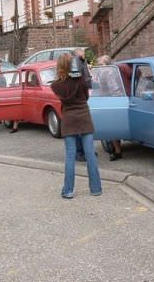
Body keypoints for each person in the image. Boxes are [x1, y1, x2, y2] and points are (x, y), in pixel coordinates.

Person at [51, 53, 102, 199]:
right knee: (90, 154)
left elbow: (62, 98)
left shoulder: (55, 86)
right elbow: (86, 97)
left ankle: (68, 190)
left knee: (70, 156)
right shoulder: (81, 81)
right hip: (84, 117)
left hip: (68, 119)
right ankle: (96, 188)